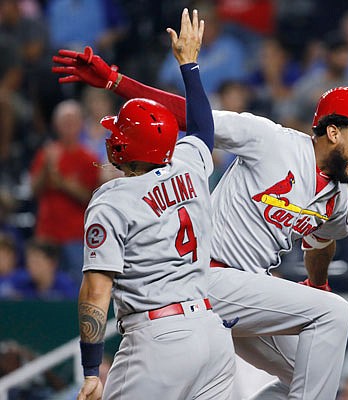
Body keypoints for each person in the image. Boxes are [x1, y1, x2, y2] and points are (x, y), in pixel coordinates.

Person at [52, 31, 348, 400]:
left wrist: (318, 285)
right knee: (335, 314)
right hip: (205, 278)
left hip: (245, 294)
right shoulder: (271, 140)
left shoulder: (337, 196)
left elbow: (322, 240)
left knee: (310, 371)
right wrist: (115, 81)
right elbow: (192, 117)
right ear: (333, 131)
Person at [74, 9, 235, 400]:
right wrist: (190, 65)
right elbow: (202, 127)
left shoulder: (111, 200)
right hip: (212, 336)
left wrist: (92, 369)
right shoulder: (190, 165)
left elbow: (96, 291)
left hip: (158, 339)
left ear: (122, 146)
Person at [29, 99, 100, 286]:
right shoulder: (46, 154)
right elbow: (34, 190)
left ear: (80, 125)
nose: (68, 127)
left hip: (75, 236)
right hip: (47, 232)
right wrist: (46, 169)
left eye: (72, 122)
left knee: (77, 287)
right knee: (43, 288)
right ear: (56, 125)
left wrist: (61, 181)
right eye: (64, 122)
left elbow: (91, 197)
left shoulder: (89, 158)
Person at [12, 238, 77, 300]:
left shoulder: (66, 287)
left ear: (52, 263)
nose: (31, 267)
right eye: (29, 262)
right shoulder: (21, 286)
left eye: (37, 262)